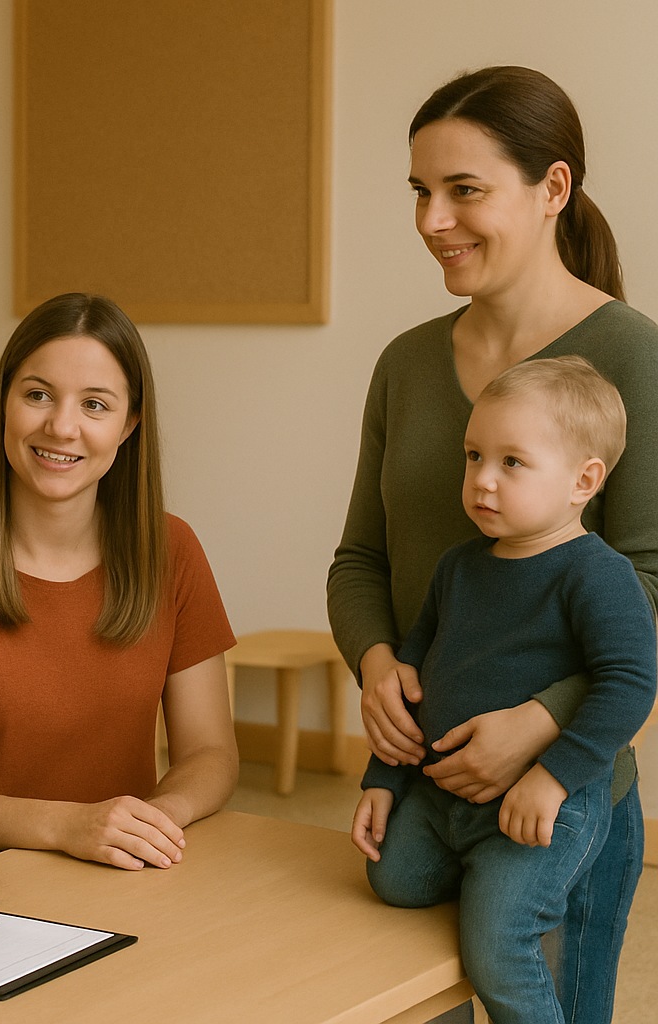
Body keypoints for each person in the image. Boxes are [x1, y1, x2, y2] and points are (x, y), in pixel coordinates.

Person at [326, 66, 658, 1024]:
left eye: (464, 190)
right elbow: (362, 561)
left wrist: (542, 726)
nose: (433, 218)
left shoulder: (632, 356)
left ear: (553, 190)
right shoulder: (405, 364)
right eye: (420, 192)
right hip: (427, 788)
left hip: (559, 799)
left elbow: (651, 582)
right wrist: (378, 661)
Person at [0, 292, 238, 877]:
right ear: (4, 404)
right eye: (37, 395)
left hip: (115, 870)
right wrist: (70, 827)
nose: (62, 427)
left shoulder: (173, 549)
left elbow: (211, 753)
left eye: (95, 405)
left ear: (129, 424)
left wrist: (149, 822)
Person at [351, 357, 657, 1024]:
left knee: (497, 944)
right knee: (392, 881)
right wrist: (384, 777)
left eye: (512, 462)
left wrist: (552, 777)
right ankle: (485, 873)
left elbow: (631, 681)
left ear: (584, 481)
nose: (482, 480)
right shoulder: (457, 566)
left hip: (548, 802)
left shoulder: (596, 574)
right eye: (473, 456)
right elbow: (416, 671)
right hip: (442, 792)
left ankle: (508, 893)